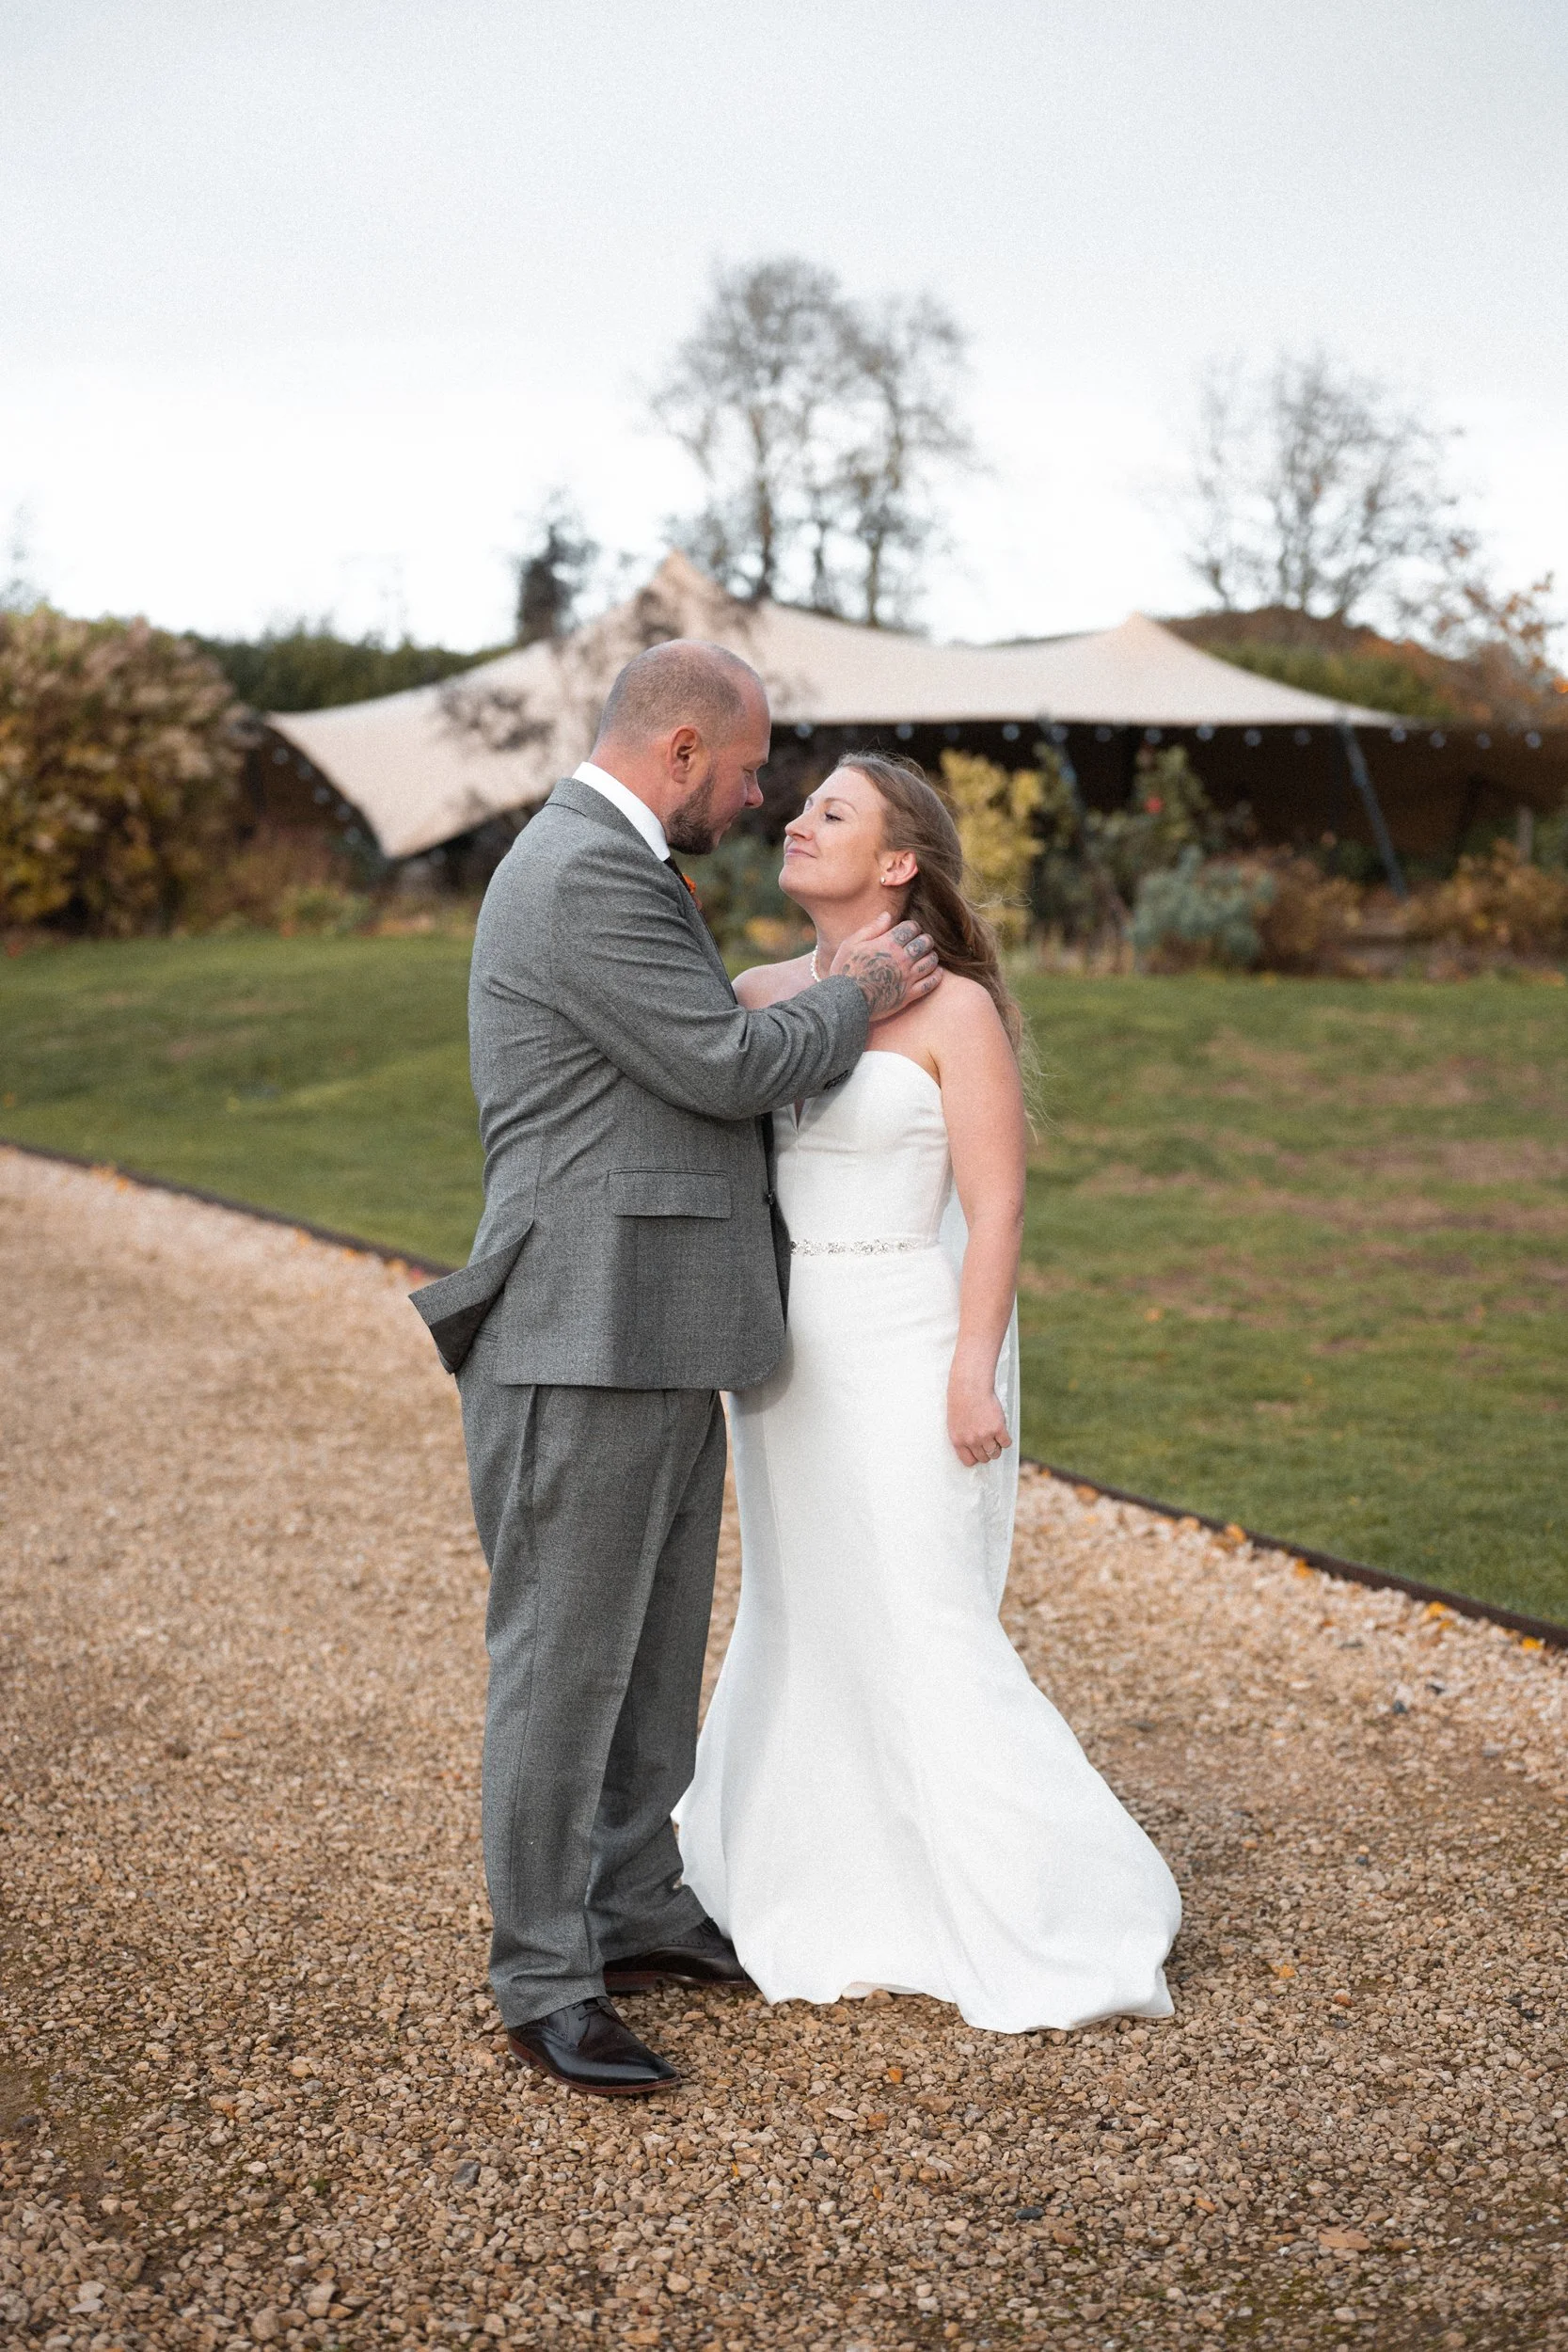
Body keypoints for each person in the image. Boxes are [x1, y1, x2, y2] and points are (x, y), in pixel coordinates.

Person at [411, 645, 940, 2097]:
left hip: (659, 1327)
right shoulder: (582, 868)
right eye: (755, 766)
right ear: (687, 746)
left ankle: (634, 1909)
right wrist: (864, 983)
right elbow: (716, 1064)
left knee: (646, 1667)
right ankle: (543, 1978)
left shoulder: (616, 861)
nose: (764, 794)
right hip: (575, 1337)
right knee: (561, 1674)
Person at [678, 755, 1180, 2032]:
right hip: (788, 1360)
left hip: (902, 1334)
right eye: (799, 808)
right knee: (804, 1606)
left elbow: (998, 1203)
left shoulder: (955, 1013)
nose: (796, 822)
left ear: (900, 862)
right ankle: (823, 1882)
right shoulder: (758, 992)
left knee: (920, 1607)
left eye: (831, 813)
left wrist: (970, 1368)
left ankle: (1041, 1902)